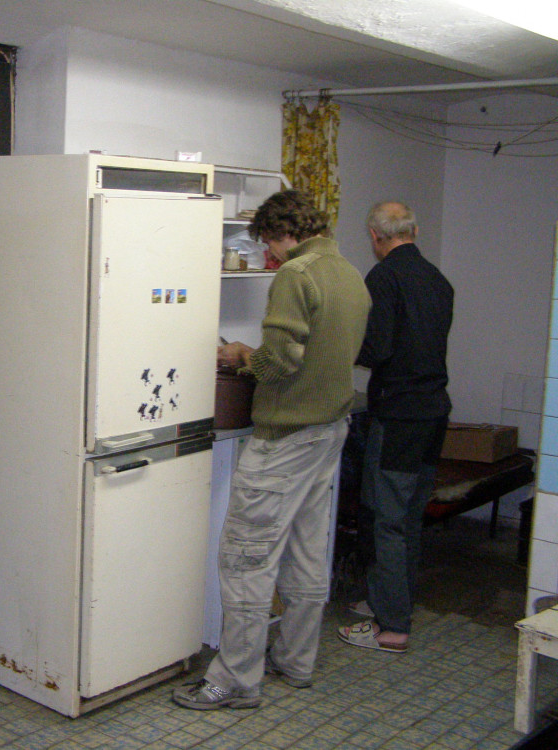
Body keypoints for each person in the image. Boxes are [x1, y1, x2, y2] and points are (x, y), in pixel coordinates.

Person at [173, 190, 371, 710]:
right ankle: (296, 660)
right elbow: (321, 351)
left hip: (285, 439)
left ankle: (236, 681)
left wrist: (243, 357)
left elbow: (281, 361)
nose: (269, 255)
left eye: (268, 244)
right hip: (329, 429)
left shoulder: (296, 274)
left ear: (283, 233)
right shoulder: (349, 273)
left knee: (246, 559)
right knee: (307, 551)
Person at [338, 201, 453, 654]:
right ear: (415, 230)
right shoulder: (438, 280)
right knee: (408, 516)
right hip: (434, 412)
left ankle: (391, 628)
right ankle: (391, 601)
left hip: (400, 414)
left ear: (374, 236)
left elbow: (378, 350)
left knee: (386, 518)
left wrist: (342, 343)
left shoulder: (383, 278)